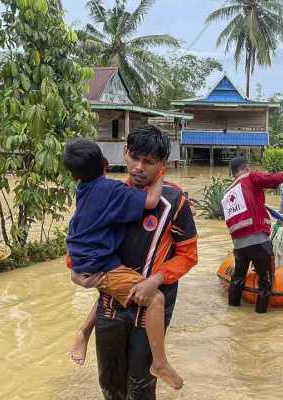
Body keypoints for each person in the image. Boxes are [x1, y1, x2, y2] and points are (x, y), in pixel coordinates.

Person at [70, 126, 198, 399]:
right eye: (135, 158)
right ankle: (85, 333)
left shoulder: (175, 202)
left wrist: (156, 280)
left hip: (148, 310)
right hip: (110, 306)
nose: (139, 168)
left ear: (162, 164)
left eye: (149, 162)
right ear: (125, 153)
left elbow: (188, 255)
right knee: (110, 383)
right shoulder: (106, 192)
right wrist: (75, 273)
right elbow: (82, 233)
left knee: (140, 387)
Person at [224, 156, 283, 313]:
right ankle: (260, 316)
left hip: (239, 245)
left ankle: (233, 311)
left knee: (237, 279)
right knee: (266, 281)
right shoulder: (250, 177)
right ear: (246, 168)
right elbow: (270, 179)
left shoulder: (230, 191)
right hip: (258, 241)